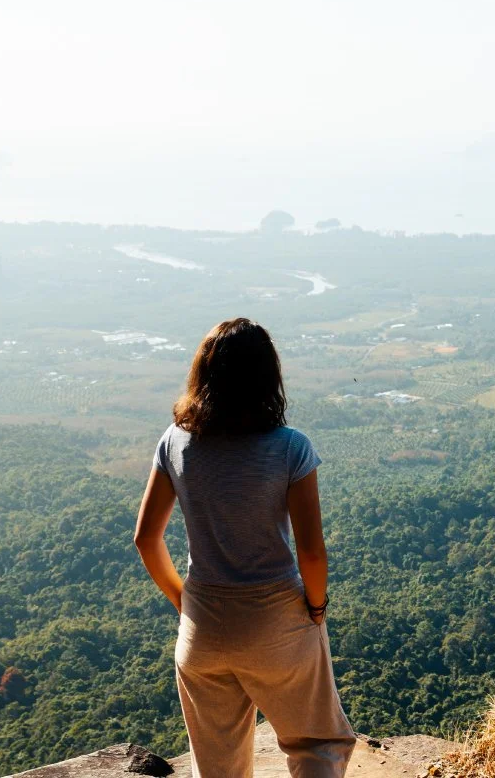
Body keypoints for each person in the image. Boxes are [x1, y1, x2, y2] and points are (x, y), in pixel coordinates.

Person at [133, 317, 355, 778]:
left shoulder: (175, 442)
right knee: (318, 744)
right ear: (267, 377)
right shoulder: (290, 448)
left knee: (218, 767)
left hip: (203, 629)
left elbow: (146, 539)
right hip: (278, 624)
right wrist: (316, 607)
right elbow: (311, 552)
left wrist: (184, 601)